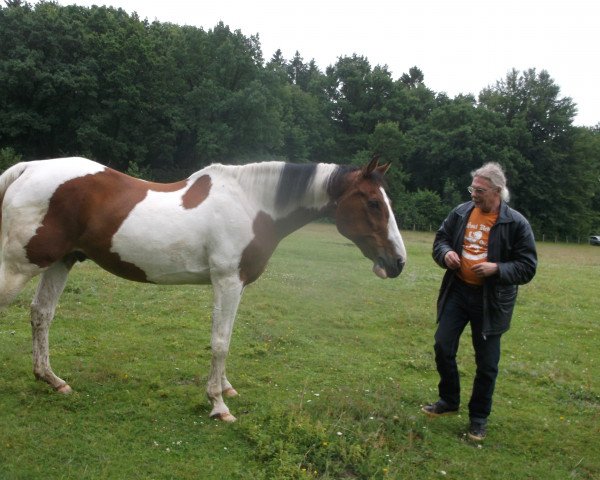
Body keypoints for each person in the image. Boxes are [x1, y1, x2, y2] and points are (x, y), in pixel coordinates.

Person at [422, 162, 537, 441]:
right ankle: (449, 400)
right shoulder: (461, 212)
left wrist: (497, 269)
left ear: (497, 191)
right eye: (472, 188)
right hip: (458, 291)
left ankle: (478, 419)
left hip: (491, 300)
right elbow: (441, 240)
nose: (473, 193)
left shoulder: (516, 223)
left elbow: (527, 266)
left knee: (487, 363)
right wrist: (446, 253)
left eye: (480, 190)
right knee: (442, 344)